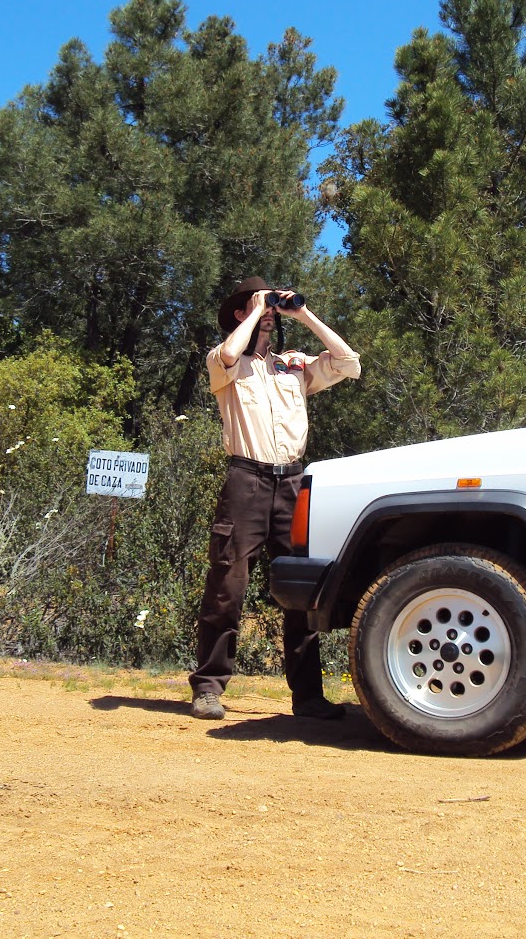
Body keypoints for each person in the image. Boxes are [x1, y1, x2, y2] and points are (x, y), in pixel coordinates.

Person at [189, 276, 361, 721]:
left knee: (300, 592)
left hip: (293, 483)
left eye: (268, 302)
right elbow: (230, 352)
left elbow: (347, 362)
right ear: (239, 315)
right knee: (228, 587)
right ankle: (208, 687)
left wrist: (300, 313)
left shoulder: (293, 365)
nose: (266, 309)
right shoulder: (223, 362)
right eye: (254, 304)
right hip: (246, 481)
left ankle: (307, 697)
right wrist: (253, 310)